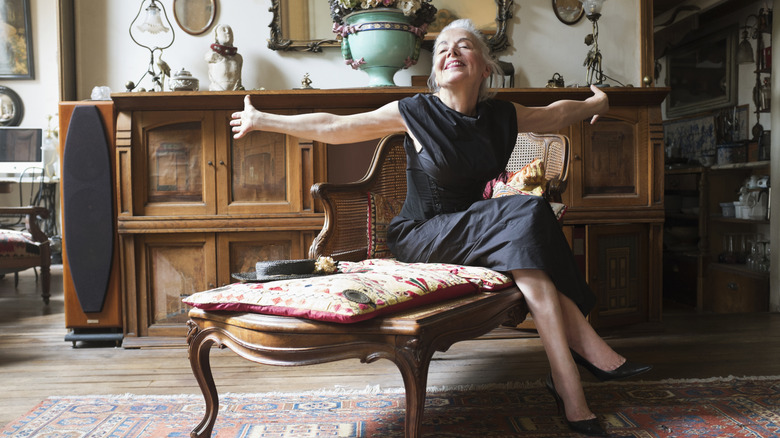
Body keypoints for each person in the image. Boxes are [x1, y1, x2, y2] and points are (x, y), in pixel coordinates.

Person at [230, 18, 650, 436]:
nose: (451, 51)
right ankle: (586, 360)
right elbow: (336, 127)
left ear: (485, 68)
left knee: (528, 238)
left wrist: (597, 105)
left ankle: (569, 382)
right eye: (444, 47)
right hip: (422, 234)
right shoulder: (415, 112)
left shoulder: (502, 115)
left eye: (464, 45)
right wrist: (264, 120)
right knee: (527, 211)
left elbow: (554, 114)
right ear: (434, 72)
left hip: (478, 231)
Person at [206, 24, 243, 91]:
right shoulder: (211, 56)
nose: (227, 32)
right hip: (216, 93)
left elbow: (239, 80)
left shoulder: (238, 58)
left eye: (230, 31)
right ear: (216, 36)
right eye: (223, 30)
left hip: (236, 94)